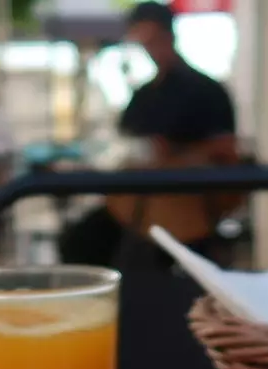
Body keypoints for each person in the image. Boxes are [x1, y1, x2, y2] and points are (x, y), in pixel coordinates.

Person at [58, 1, 239, 267]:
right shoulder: (147, 94)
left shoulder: (205, 91)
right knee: (79, 242)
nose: (149, 48)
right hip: (139, 210)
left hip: (186, 214)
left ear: (169, 35)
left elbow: (226, 150)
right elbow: (125, 143)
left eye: (153, 39)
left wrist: (175, 157)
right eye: (143, 41)